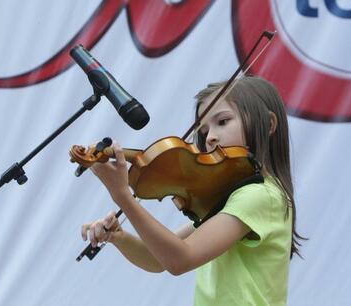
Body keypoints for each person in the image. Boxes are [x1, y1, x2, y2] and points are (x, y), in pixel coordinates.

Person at [81, 76, 304, 306]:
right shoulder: (233, 197)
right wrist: (119, 237)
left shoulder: (260, 196)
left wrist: (123, 196)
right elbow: (158, 260)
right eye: (204, 130)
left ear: (268, 124)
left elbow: (180, 259)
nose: (211, 137)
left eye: (223, 121)